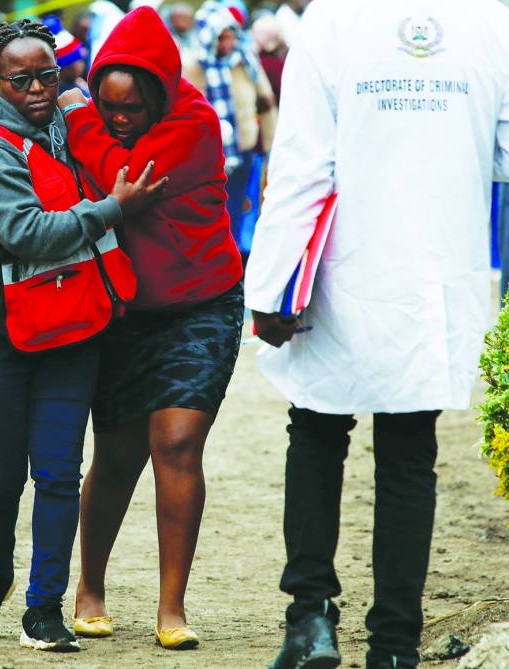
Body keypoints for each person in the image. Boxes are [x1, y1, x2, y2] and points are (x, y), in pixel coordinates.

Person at [243, 1, 509, 667]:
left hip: (341, 269)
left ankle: (310, 617)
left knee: (316, 429)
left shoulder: (331, 20)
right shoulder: (491, 21)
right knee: (409, 450)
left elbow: (303, 162)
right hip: (434, 271)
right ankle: (394, 645)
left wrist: (272, 286)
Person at [0, 19, 164, 653]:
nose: (38, 88)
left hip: (72, 332)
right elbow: (30, 234)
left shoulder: (69, 123)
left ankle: (44, 609)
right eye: (21, 79)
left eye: (49, 74)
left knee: (61, 475)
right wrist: (115, 209)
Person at [56, 6, 243, 650]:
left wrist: (80, 116)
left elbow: (120, 180)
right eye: (107, 105)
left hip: (202, 304)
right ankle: (91, 588)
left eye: (132, 107)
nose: (118, 117)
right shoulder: (120, 120)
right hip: (125, 313)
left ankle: (172, 607)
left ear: (160, 95)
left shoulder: (193, 124)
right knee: (115, 457)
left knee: (178, 445)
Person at [184, 0, 277, 263]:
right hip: (210, 158)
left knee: (240, 208)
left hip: (244, 150)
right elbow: (187, 111)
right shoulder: (194, 65)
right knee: (214, 214)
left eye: (231, 36)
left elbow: (267, 101)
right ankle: (217, 262)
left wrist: (271, 144)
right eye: (221, 37)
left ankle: (236, 261)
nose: (227, 44)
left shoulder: (245, 61)